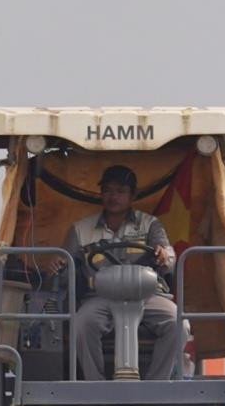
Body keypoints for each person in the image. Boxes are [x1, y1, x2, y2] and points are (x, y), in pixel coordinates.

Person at [75, 163, 186, 381]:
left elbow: (168, 256)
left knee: (179, 324)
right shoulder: (81, 229)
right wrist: (55, 263)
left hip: (147, 295)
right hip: (101, 297)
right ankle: (95, 387)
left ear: (132, 195)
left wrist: (164, 255)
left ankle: (156, 386)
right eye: (108, 190)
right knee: (81, 323)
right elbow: (64, 262)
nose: (113, 196)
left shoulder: (150, 224)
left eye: (120, 191)